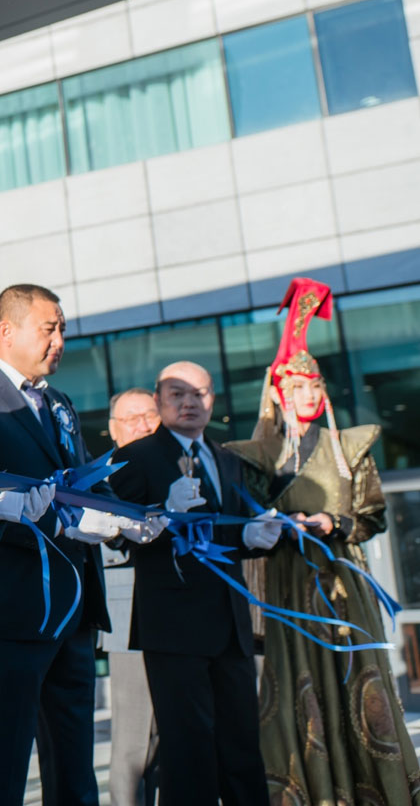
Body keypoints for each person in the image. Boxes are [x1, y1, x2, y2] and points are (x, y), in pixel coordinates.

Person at [0, 284, 127, 806]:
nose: (61, 339)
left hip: (73, 610)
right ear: (7, 330)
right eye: (50, 328)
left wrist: (126, 516)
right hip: (8, 612)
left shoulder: (58, 403)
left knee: (75, 774)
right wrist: (59, 523)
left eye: (62, 328)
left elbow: (86, 482)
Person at [226, 278, 420, 804]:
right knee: (298, 682)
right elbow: (249, 518)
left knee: (359, 682)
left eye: (315, 387)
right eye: (297, 388)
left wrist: (335, 526)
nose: (309, 395)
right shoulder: (260, 456)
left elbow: (372, 515)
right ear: (279, 393)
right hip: (288, 583)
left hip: (342, 580)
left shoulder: (350, 448)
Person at [111, 361, 282, 806]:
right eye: (177, 394)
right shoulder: (137, 456)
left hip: (230, 624)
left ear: (212, 400)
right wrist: (161, 515)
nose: (189, 403)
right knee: (188, 751)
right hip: (174, 627)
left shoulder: (226, 458)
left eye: (199, 394)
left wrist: (251, 537)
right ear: (159, 400)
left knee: (242, 746)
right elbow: (115, 532)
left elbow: (229, 533)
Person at [102, 388, 160, 806]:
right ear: (113, 430)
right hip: (129, 619)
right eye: (132, 418)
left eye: (150, 416)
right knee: (134, 741)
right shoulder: (104, 476)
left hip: (180, 614)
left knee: (170, 736)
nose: (143, 425)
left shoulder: (178, 468)